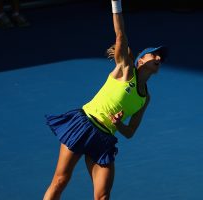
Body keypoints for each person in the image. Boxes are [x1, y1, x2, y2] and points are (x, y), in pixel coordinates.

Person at [43, 0, 168, 199]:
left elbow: (130, 132)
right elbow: (120, 34)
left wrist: (118, 124)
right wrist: (116, 3)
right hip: (83, 125)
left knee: (103, 196)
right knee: (60, 180)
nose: (159, 59)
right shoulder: (126, 70)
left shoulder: (145, 98)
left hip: (103, 139)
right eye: (155, 55)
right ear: (141, 60)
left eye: (161, 58)